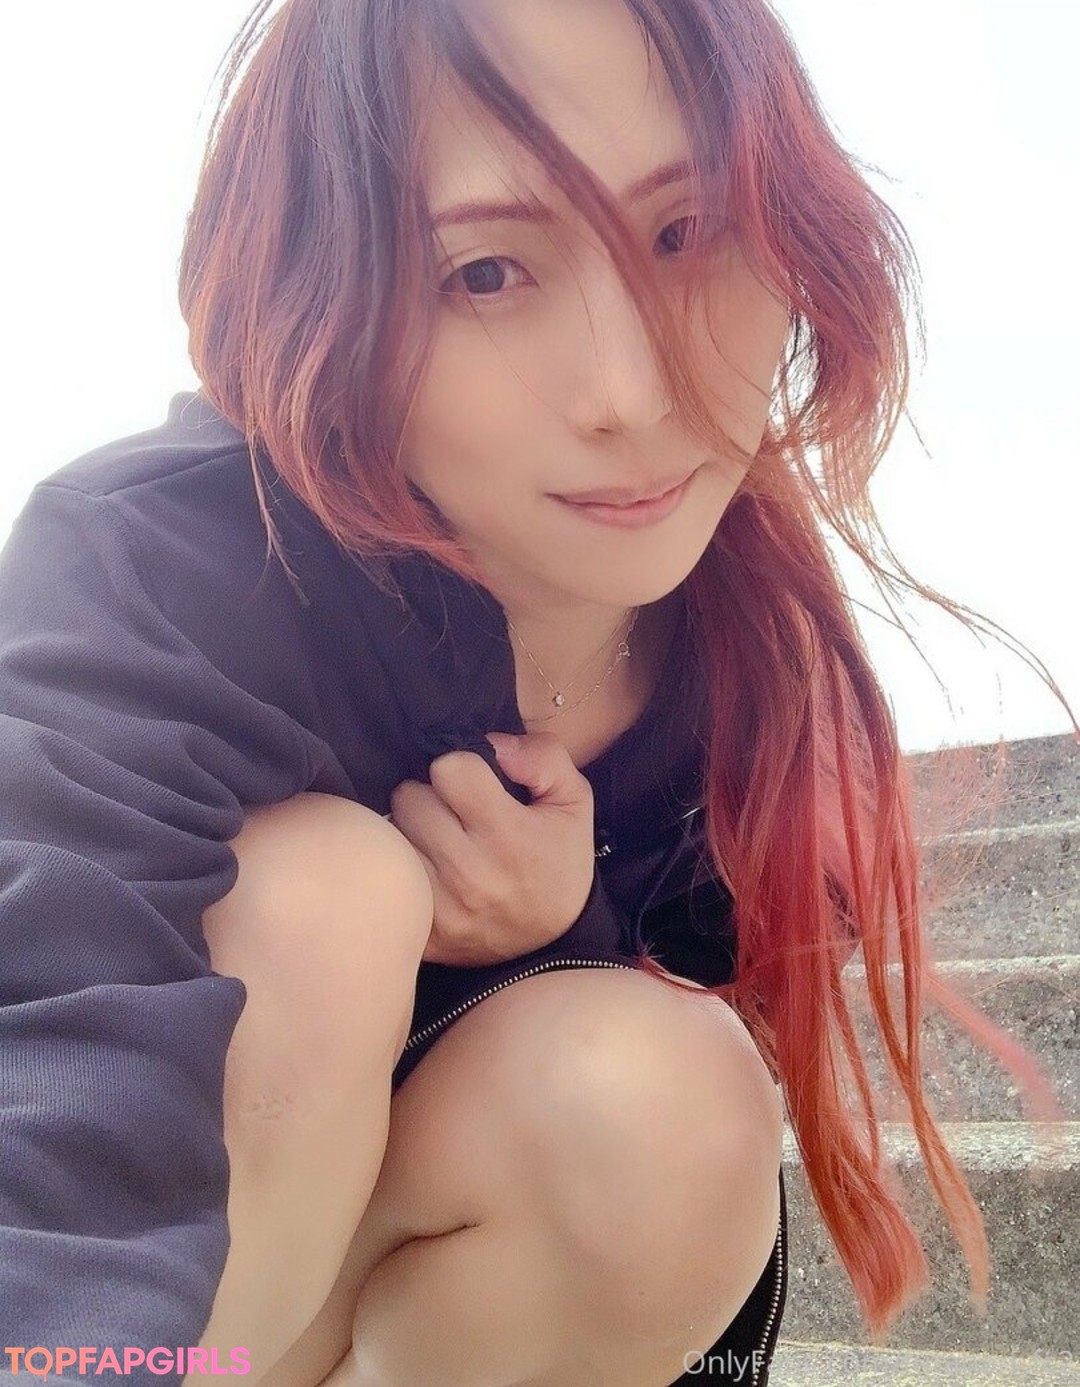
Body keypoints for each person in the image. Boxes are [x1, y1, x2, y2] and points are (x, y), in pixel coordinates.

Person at [0, 1, 1072, 1385]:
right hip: (177, 1321)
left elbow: (664, 1100)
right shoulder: (168, 557)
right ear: (323, 294)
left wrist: (568, 920)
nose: (631, 390)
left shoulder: (744, 642)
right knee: (323, 895)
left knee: (662, 1099)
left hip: (413, 1293)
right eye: (489, 272)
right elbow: (55, 1031)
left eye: (688, 232)